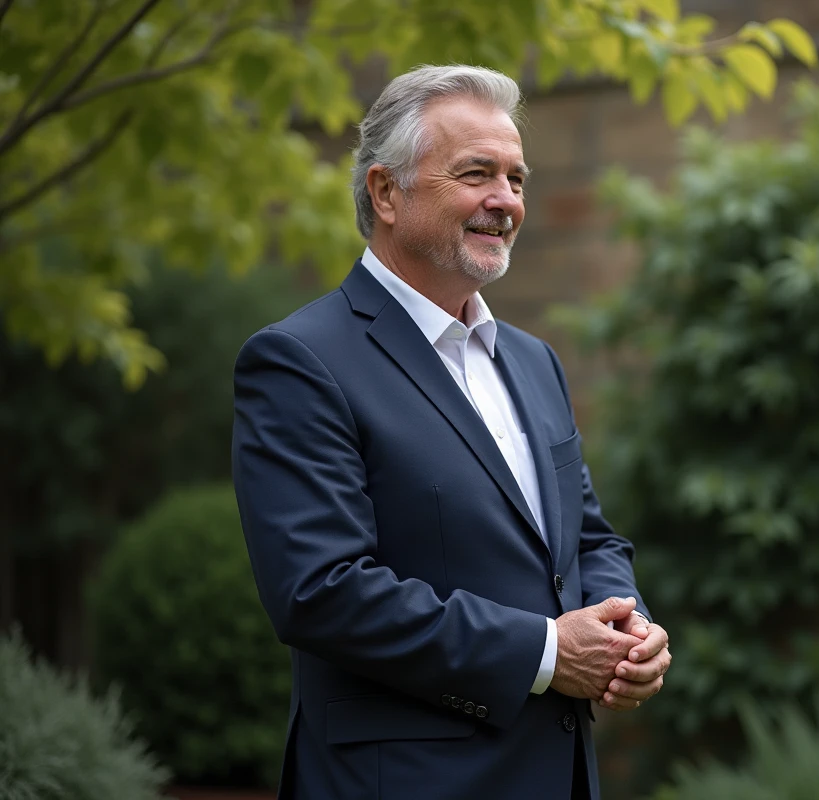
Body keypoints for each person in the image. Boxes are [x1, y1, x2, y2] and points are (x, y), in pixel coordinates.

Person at [231, 64, 671, 800]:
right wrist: (543, 652)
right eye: (476, 174)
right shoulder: (300, 361)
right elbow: (321, 591)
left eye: (518, 179)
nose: (505, 201)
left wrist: (631, 632)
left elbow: (587, 542)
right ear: (385, 193)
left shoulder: (533, 361)